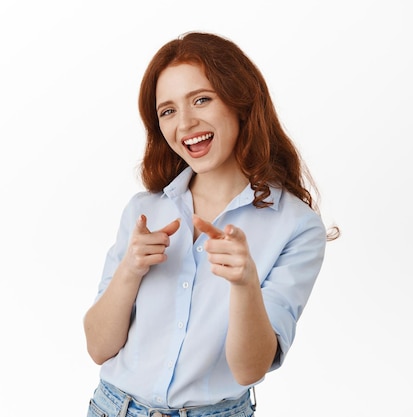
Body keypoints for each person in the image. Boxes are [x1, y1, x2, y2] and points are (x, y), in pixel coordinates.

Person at [83, 31, 338, 417]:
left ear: (240, 102)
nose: (185, 123)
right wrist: (130, 270)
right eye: (167, 110)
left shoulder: (296, 228)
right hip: (112, 407)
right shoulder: (144, 211)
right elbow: (98, 348)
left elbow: (250, 368)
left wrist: (245, 283)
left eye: (201, 99)